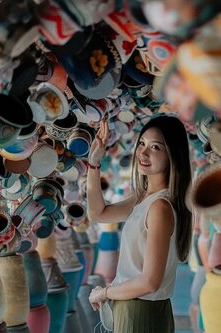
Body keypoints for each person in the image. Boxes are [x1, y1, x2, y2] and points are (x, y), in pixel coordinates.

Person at [87, 114, 193, 333]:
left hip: (139, 310)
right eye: (142, 143)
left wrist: (104, 293)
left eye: (155, 147)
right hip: (138, 308)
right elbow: (98, 213)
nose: (143, 152)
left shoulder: (160, 207)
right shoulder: (143, 198)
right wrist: (94, 162)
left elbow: (149, 282)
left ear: (172, 155)